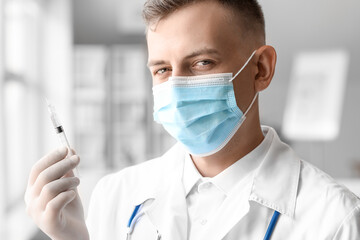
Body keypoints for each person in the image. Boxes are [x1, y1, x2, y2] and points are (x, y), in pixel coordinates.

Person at [25, 0, 360, 239]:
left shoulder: (334, 220)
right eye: (162, 70)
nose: (177, 86)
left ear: (261, 69)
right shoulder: (115, 197)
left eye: (202, 63)